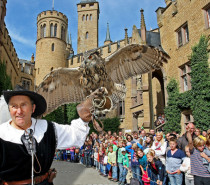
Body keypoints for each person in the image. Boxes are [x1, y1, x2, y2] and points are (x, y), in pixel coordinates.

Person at [0, 85, 104, 184]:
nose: (19, 111)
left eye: (23, 105)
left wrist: (84, 118)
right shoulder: (1, 133)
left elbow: (74, 135)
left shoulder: (48, 128)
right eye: (14, 106)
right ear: (9, 109)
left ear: (33, 108)